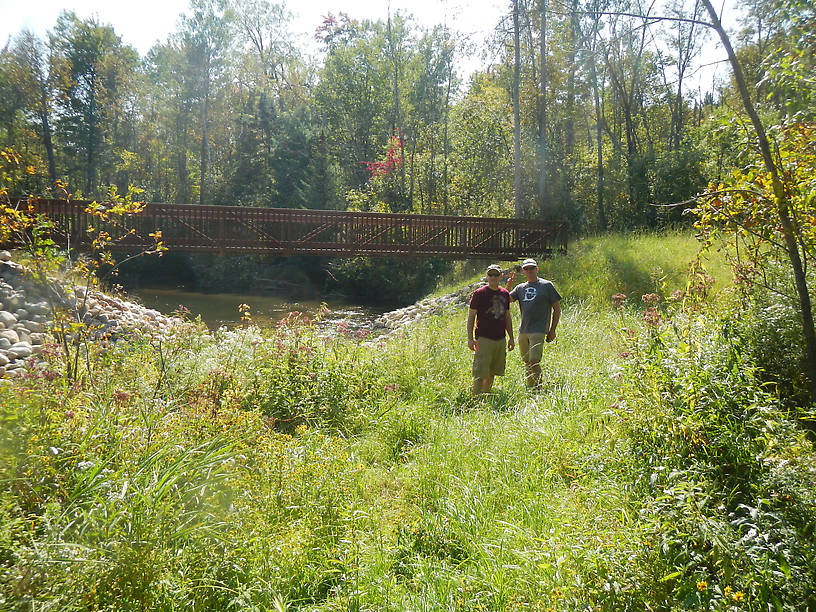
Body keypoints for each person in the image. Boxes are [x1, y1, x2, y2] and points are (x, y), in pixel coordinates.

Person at [508, 258, 562, 389]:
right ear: (523, 271)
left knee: (534, 361)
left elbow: (557, 309)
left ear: (536, 269)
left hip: (539, 329)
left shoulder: (546, 285)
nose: (529, 271)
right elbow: (506, 299)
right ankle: (530, 387)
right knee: (526, 362)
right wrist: (509, 285)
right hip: (523, 330)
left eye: (532, 268)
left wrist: (552, 330)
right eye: (526, 269)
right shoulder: (520, 288)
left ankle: (538, 388)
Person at [467, 264, 515, 395]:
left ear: (501, 276)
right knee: (480, 371)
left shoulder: (505, 293)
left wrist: (511, 337)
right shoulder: (479, 293)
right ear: (487, 276)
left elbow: (507, 317)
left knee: (492, 371)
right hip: (483, 338)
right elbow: (471, 316)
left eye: (496, 275)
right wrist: (470, 339)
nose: (493, 277)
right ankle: (476, 398)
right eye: (490, 275)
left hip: (500, 338)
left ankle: (486, 396)